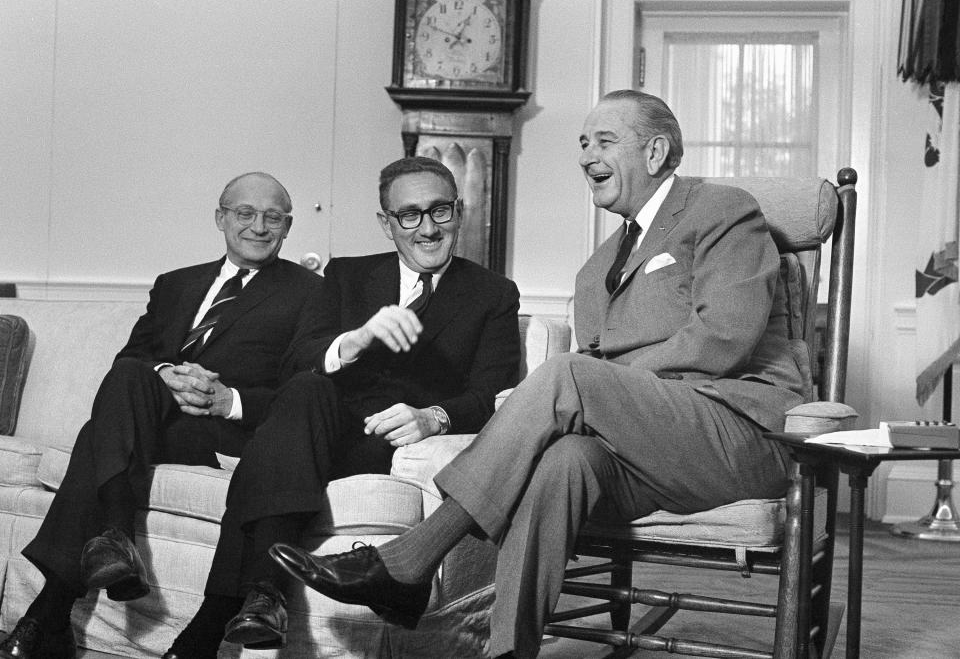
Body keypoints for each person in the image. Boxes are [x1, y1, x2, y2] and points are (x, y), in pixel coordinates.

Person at [270, 90, 807, 659]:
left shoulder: (721, 209)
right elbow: (598, 380)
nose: (585, 156)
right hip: (643, 450)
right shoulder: (595, 269)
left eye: (603, 140)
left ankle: (410, 561)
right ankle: (509, 650)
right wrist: (583, 397)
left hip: (738, 433)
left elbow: (726, 334)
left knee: (566, 376)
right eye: (582, 143)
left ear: (654, 152)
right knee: (563, 461)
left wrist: (598, 388)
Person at [162, 156, 521, 658]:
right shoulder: (348, 276)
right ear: (387, 224)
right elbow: (299, 359)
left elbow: (496, 393)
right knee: (304, 393)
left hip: (387, 441)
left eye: (440, 211)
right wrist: (353, 341)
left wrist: (432, 416)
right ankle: (261, 597)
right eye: (409, 215)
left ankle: (220, 615)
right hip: (318, 421)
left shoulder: (492, 294)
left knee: (272, 454)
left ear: (459, 213)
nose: (427, 228)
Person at [0, 172, 323, 659]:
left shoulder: (309, 292)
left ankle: (51, 610)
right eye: (245, 214)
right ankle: (113, 538)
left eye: (272, 217)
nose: (258, 226)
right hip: (155, 423)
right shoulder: (176, 284)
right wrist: (167, 372)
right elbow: (132, 358)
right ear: (220, 218)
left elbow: (302, 388)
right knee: (131, 374)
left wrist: (227, 397)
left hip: (226, 435)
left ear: (288, 226)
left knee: (97, 437)